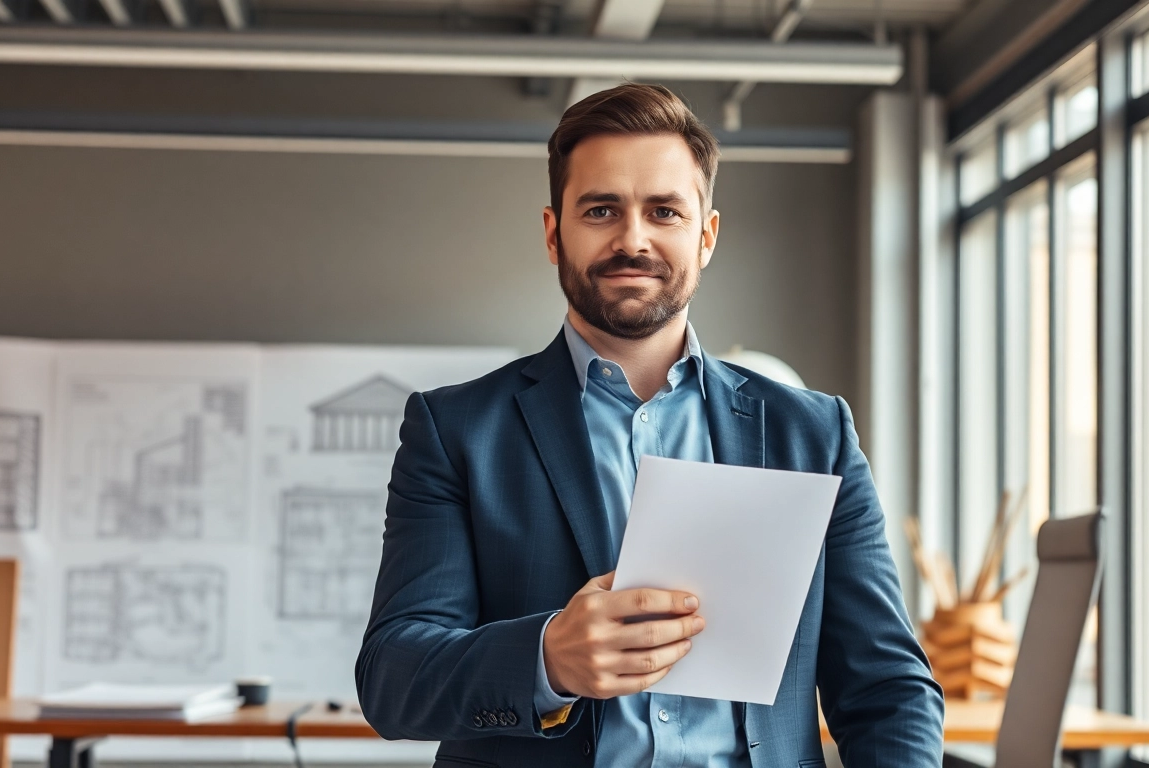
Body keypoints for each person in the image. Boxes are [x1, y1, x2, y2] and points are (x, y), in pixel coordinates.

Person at [356, 82, 944, 768]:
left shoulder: (813, 435)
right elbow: (393, 677)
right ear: (555, 233)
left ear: (706, 235)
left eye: (664, 210)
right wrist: (548, 658)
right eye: (601, 209)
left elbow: (889, 689)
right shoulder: (456, 430)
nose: (632, 238)